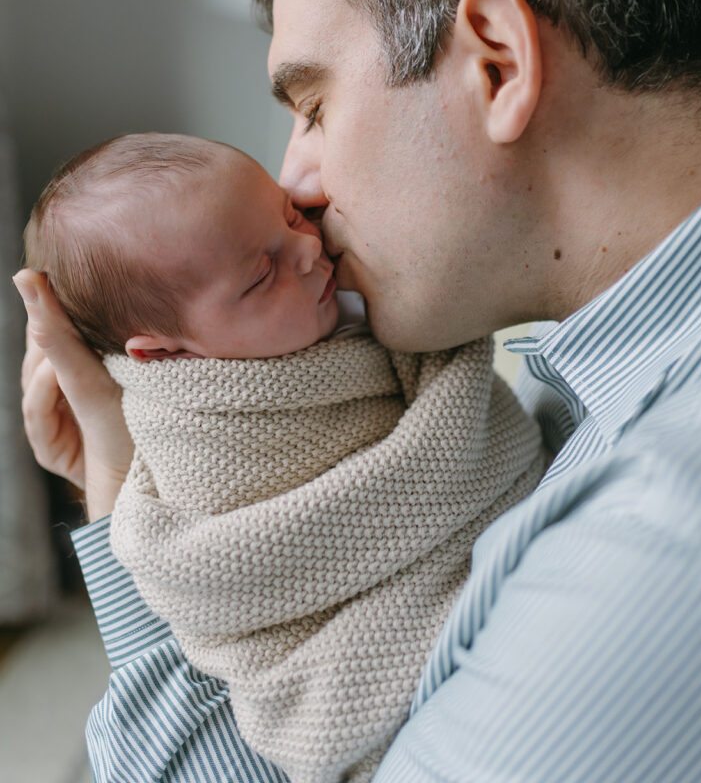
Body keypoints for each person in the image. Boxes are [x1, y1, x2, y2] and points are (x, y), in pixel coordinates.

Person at [14, 0, 701, 780]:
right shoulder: (609, 359)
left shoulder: (671, 537)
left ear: (496, 62)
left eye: (312, 106)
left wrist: (114, 509)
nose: (296, 184)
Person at [22, 131, 544, 782]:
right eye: (261, 274)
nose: (307, 247)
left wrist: (103, 470)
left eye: (289, 214)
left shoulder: (358, 309)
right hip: (346, 684)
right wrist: (109, 467)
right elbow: (201, 574)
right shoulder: (195, 452)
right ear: (162, 354)